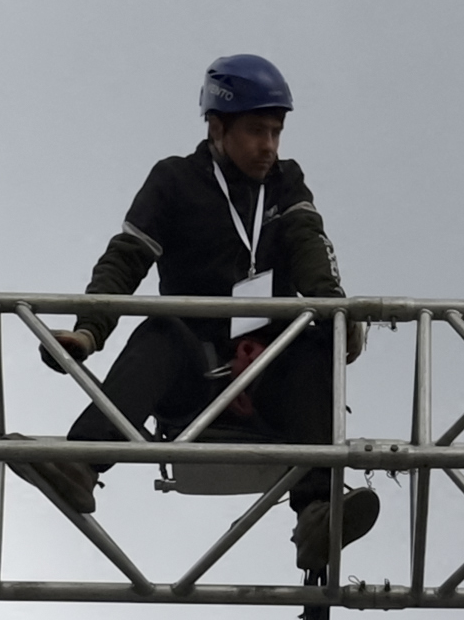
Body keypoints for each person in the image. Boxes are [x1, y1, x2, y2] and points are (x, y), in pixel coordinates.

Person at [28, 54, 376, 577]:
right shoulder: (174, 181)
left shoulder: (285, 184)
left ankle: (317, 515)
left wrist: (335, 309)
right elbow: (126, 258)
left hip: (269, 374)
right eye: (258, 131)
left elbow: (310, 244)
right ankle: (78, 464)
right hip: (193, 379)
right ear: (217, 127)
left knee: (313, 339)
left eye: (277, 132)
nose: (269, 147)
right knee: (161, 329)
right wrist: (87, 332)